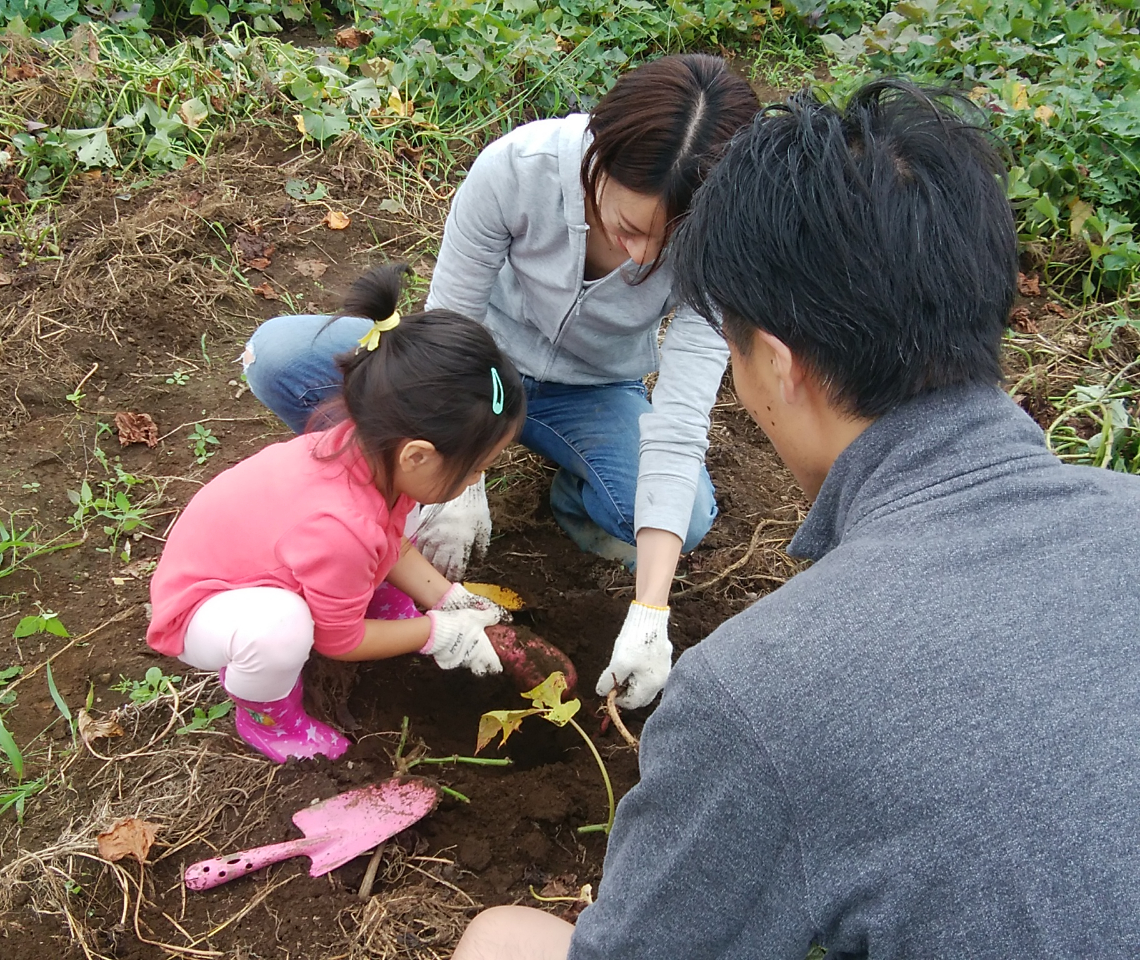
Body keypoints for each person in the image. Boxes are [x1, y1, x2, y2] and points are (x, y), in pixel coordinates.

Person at [450, 80, 1140, 959]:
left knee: (501, 939)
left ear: (774, 366)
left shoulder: (760, 695)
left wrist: (653, 608)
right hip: (500, 381)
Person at [243, 54, 761, 711]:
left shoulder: (725, 241)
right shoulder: (519, 169)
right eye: (628, 228)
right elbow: (449, 334)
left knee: (677, 517)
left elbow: (682, 421)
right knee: (281, 358)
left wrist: (650, 611)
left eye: (666, 246)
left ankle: (575, 496)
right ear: (597, 158)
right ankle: (377, 496)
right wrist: (461, 475)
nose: (641, 259)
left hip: (594, 390)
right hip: (481, 364)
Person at [147, 265, 526, 763]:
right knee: (281, 633)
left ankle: (365, 603)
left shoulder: (372, 452)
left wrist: (449, 599)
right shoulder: (342, 527)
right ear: (416, 454)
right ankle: (267, 716)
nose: (477, 480)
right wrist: (438, 633)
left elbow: (390, 542)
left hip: (276, 559)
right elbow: (338, 641)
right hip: (205, 606)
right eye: (475, 467)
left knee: (376, 549)